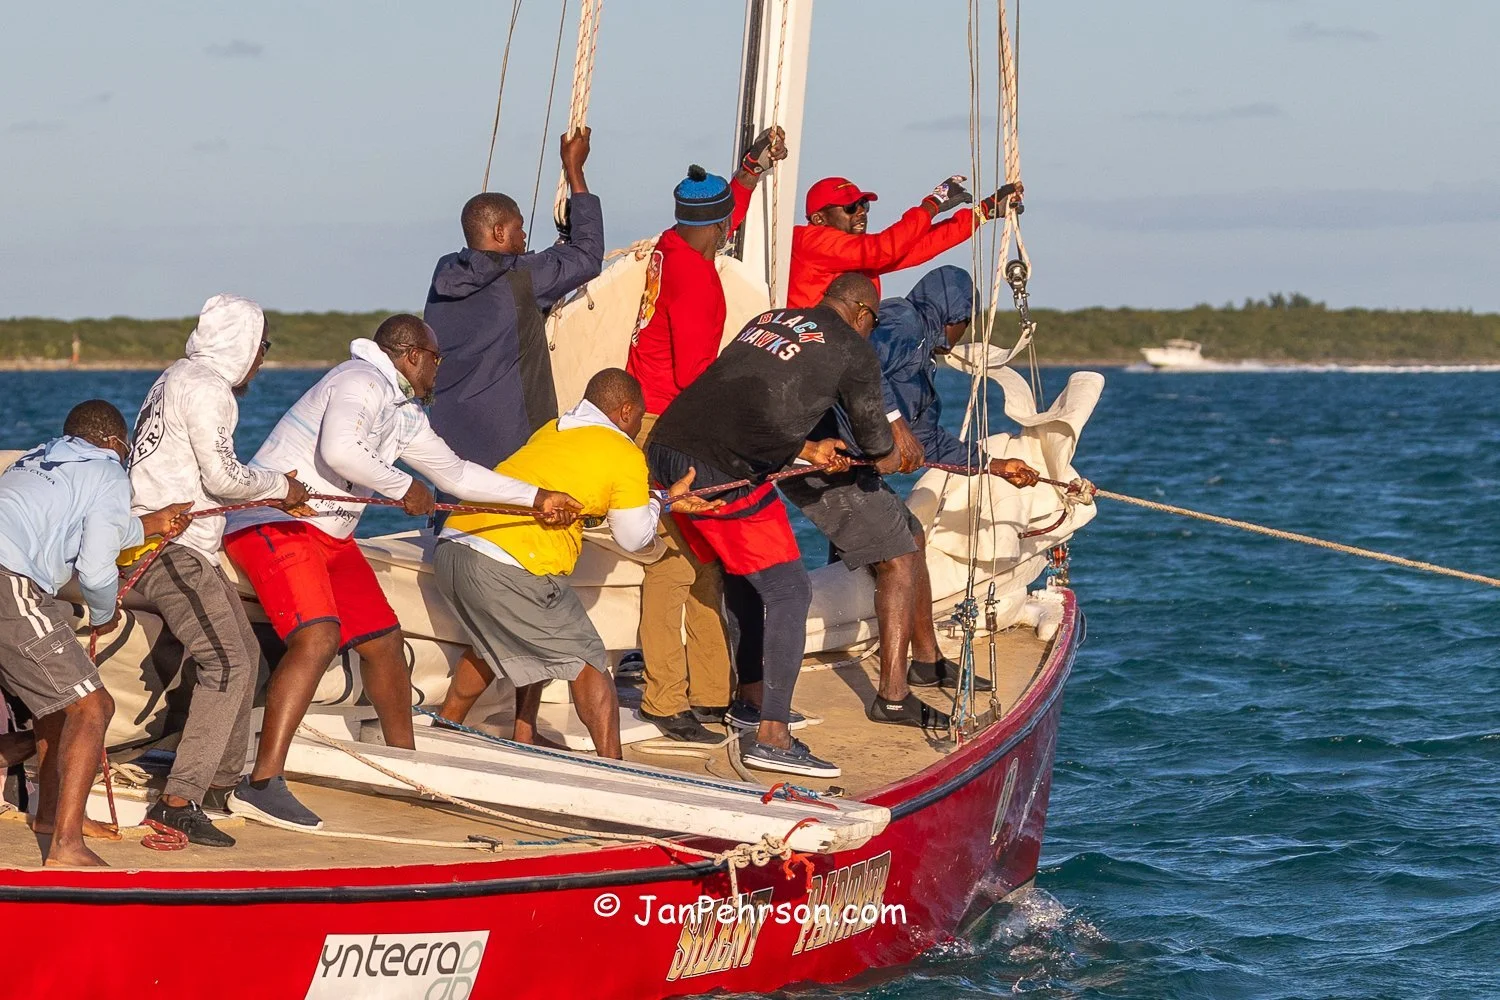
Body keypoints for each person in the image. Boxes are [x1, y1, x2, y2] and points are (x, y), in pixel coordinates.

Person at [222, 315, 582, 831]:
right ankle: (261, 785)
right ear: (412, 355)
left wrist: (537, 497)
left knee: (385, 643)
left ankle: (404, 767)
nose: (439, 371)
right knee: (320, 638)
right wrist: (401, 488)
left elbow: (454, 473)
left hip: (331, 538)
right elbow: (340, 450)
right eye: (436, 359)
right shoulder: (359, 380)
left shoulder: (404, 412)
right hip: (276, 523)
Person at [646, 274, 902, 779]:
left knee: (744, 574)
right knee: (788, 590)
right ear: (861, 313)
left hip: (665, 448)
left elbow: (742, 402)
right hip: (720, 468)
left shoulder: (770, 319)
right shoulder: (853, 349)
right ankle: (773, 736)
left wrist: (807, 449)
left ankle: (751, 700)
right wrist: (892, 455)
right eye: (872, 323)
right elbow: (876, 443)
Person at [781, 266, 1040, 728]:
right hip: (821, 461)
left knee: (912, 534)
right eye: (967, 322)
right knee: (900, 557)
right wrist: (896, 422)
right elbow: (862, 369)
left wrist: (996, 466)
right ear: (953, 314)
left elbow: (926, 441)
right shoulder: (903, 320)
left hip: (849, 468)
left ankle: (926, 660)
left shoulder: (922, 353)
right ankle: (893, 698)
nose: (962, 336)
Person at [433, 369, 717, 757]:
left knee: (499, 643)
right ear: (625, 411)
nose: (637, 427)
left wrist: (661, 499)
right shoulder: (624, 452)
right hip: (511, 563)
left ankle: (455, 733)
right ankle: (613, 769)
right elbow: (633, 538)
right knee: (587, 660)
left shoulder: (554, 430)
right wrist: (657, 503)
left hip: (455, 546)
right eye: (638, 417)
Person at [122, 294, 311, 847]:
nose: (261, 361)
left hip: (186, 548)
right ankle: (178, 801)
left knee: (247, 656)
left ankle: (217, 785)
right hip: (169, 548)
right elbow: (226, 478)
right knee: (227, 662)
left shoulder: (177, 376)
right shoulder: (208, 388)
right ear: (242, 345)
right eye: (262, 348)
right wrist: (284, 488)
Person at [623, 128, 787, 744]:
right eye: (727, 228)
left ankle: (713, 694)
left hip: (658, 418)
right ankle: (668, 700)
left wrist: (748, 173)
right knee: (674, 563)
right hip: (672, 426)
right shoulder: (695, 282)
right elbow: (697, 379)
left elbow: (719, 211)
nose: (731, 234)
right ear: (715, 231)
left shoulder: (673, 243)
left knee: (705, 560)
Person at [0, 401, 189, 866]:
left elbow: (90, 526)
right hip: (9, 580)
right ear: (115, 442)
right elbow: (95, 566)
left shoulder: (39, 457)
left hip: (10, 574)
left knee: (57, 703)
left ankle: (49, 816)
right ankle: (65, 846)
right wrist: (104, 613)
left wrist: (151, 522)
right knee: (94, 704)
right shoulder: (108, 472)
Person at [425, 128, 604, 472]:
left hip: (453, 437)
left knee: (460, 517)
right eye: (519, 228)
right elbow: (588, 256)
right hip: (514, 440)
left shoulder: (444, 274)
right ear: (498, 233)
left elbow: (508, 285)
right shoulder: (522, 277)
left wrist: (556, 250)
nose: (524, 236)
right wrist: (575, 170)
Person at [786, 174, 1022, 308]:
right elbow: (885, 249)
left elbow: (918, 248)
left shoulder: (851, 250)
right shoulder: (809, 241)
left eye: (863, 205)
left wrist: (982, 212)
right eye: (850, 207)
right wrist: (931, 205)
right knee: (901, 317)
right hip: (814, 345)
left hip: (844, 344)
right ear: (819, 218)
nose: (861, 212)